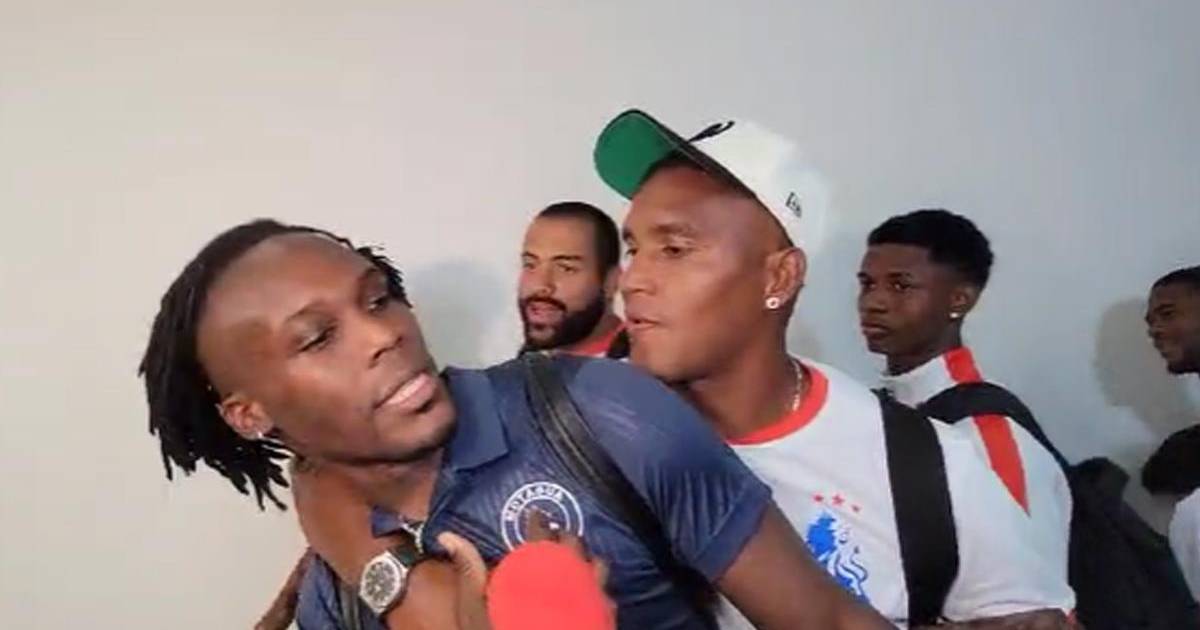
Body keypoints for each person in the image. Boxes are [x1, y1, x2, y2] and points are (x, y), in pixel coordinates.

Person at [138, 219, 889, 629]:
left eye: (378, 298)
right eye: (317, 338)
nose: (383, 334)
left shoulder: (599, 412)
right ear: (250, 414)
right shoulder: (334, 596)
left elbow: (827, 621)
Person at [593, 108, 1074, 628]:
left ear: (779, 278)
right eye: (634, 248)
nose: (632, 280)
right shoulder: (584, 432)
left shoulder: (929, 469)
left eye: (674, 249)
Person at [857, 209, 1071, 569]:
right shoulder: (873, 408)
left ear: (960, 300)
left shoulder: (985, 432)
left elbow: (1030, 588)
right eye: (867, 284)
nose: (872, 303)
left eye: (900, 286)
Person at [1141, 265, 1200, 599]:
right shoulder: (1181, 450)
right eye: (1150, 322)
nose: (1155, 331)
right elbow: (1159, 476)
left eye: (1167, 314)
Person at [518, 201, 628, 359]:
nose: (540, 285)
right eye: (530, 265)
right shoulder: (527, 362)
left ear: (611, 281)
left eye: (566, 268)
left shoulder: (644, 366)